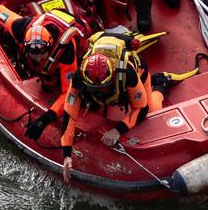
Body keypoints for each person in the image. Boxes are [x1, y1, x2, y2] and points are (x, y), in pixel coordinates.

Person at [28, 29, 194, 184]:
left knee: (152, 113)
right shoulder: (79, 77)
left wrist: (118, 130)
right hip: (100, 86)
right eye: (95, 88)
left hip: (137, 76)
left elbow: (140, 108)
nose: (100, 91)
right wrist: (67, 154)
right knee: (89, 102)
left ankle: (159, 83)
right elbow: (70, 113)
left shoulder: (127, 73)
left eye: (103, 88)